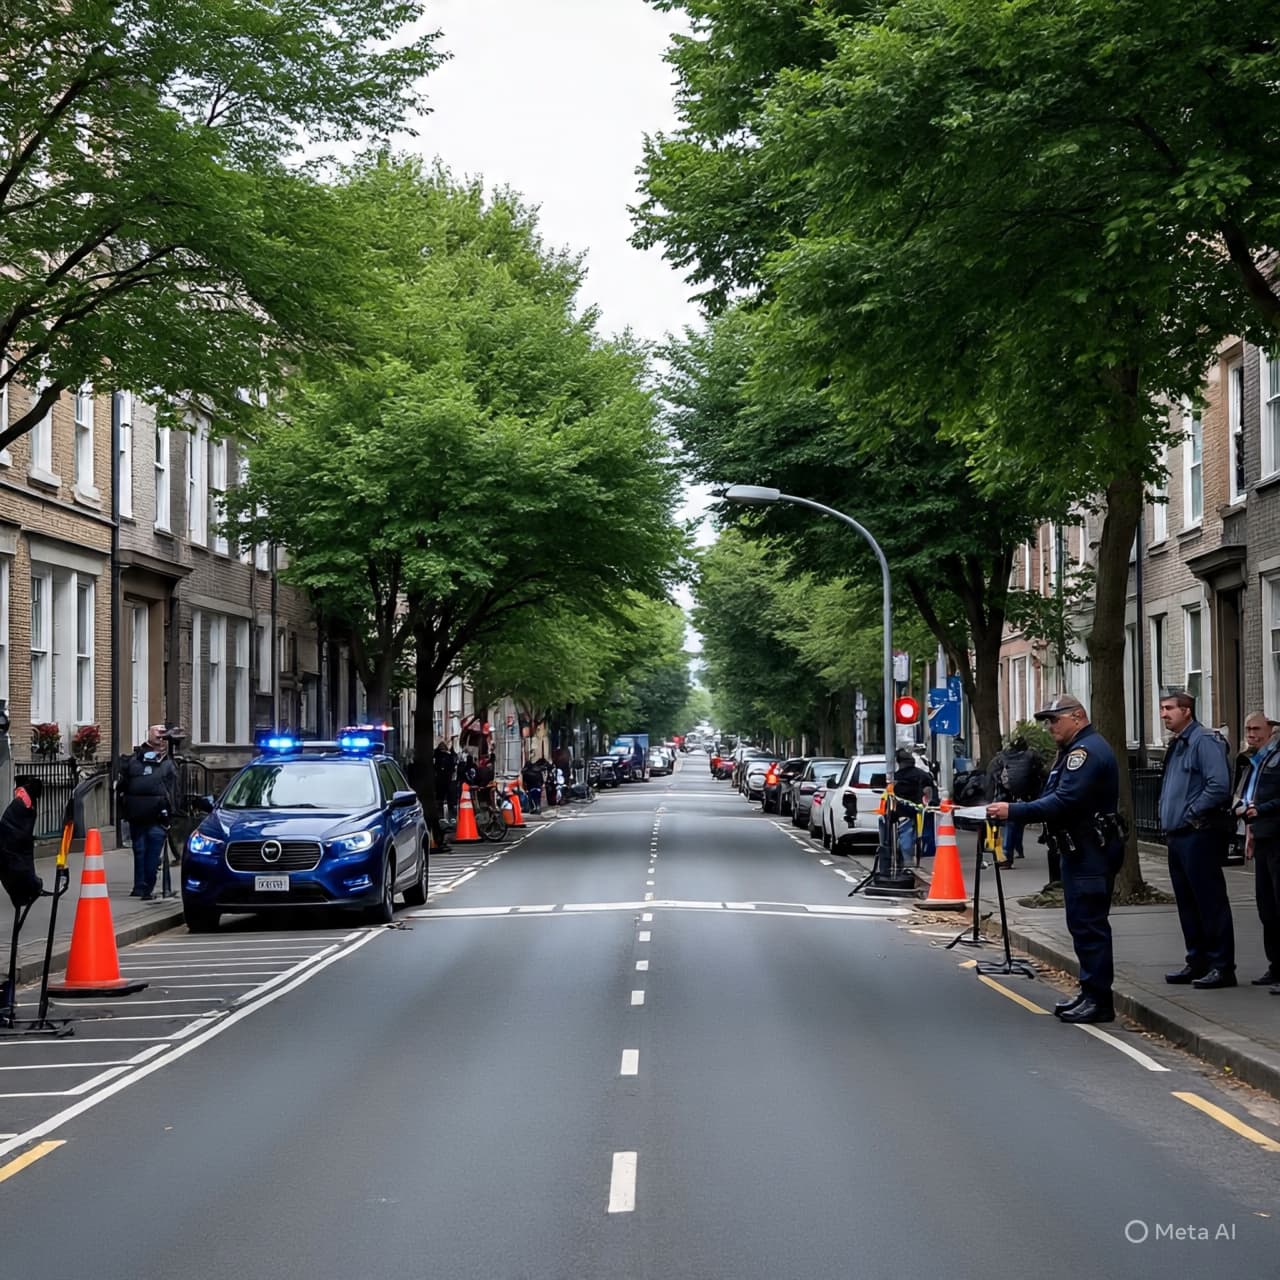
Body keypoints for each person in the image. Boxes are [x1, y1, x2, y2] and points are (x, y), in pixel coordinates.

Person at [987, 693, 1124, 1024]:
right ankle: (1090, 992)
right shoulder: (1073, 751)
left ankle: (1099, 1000)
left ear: (1077, 716)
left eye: (1054, 720)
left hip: (1091, 851)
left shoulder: (1085, 753)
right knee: (1081, 924)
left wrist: (1013, 811)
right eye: (1047, 722)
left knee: (1089, 926)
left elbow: (1064, 801)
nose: (1050, 727)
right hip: (1080, 850)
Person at [1157, 691, 1235, 989]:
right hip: (1178, 836)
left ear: (1187, 711)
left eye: (1169, 708)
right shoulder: (1179, 743)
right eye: (1162, 709)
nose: (1164, 714)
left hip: (1198, 833)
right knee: (1187, 903)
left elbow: (1219, 785)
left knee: (1209, 902)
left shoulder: (1204, 741)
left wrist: (1191, 812)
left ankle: (1222, 966)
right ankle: (1197, 960)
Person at [1235, 715, 1280, 993]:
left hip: (1277, 838)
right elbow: (1250, 795)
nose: (1251, 733)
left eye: (1256, 729)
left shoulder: (1276, 758)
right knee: (1267, 907)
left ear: (1271, 731)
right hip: (1262, 837)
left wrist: (1261, 810)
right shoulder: (1257, 760)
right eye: (1248, 729)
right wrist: (1249, 832)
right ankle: (1275, 967)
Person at [118, 724, 178, 900]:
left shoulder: (134, 760)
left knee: (140, 850)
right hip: (157, 813)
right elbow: (174, 790)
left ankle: (139, 886)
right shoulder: (166, 763)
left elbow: (122, 785)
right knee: (152, 852)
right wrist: (172, 813)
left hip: (136, 813)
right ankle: (147, 888)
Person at [987, 735, 1046, 863]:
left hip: (1007, 793)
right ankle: (1016, 850)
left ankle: (1007, 854)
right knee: (1017, 820)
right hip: (1025, 794)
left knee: (1011, 820)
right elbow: (1040, 773)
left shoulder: (1001, 757)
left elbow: (993, 774)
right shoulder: (1031, 755)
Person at [880, 747, 933, 871]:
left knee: (898, 836)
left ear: (899, 762)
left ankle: (898, 863)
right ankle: (907, 864)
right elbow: (929, 795)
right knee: (907, 837)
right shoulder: (923, 775)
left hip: (900, 813)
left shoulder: (895, 778)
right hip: (917, 814)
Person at [0, 777, 44, 909]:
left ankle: (23, 891)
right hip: (13, 843)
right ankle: (27, 889)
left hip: (6, 841)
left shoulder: (21, 797)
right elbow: (23, 828)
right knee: (20, 864)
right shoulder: (26, 802)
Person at [432, 741, 456, 823]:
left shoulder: (435, 756)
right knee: (449, 799)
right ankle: (450, 817)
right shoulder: (449, 756)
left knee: (440, 799)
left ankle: (440, 816)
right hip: (447, 780)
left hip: (439, 781)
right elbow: (452, 769)